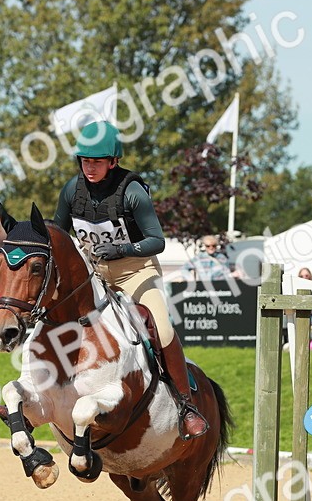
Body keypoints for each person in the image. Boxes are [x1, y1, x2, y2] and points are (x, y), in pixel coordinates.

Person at [52, 120, 206, 439]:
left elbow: (157, 241)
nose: (90, 167)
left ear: (113, 161)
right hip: (94, 274)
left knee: (161, 329)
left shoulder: (133, 192)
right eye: (85, 161)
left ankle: (186, 405)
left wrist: (121, 247)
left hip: (136, 271)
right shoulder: (71, 190)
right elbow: (58, 232)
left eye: (96, 161)